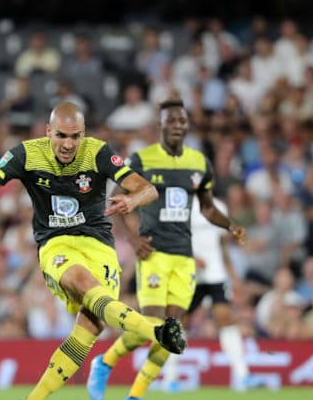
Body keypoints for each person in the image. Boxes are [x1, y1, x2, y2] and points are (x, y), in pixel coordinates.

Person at [0, 102, 187, 400]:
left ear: (83, 134)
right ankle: (157, 332)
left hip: (99, 246)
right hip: (57, 244)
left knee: (90, 326)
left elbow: (147, 188)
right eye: (61, 135)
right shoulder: (26, 154)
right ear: (48, 132)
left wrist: (132, 201)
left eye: (75, 137)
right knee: (84, 285)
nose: (69, 144)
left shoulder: (98, 152)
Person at [86, 94, 246, 400]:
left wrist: (231, 226)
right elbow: (116, 200)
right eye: (171, 120)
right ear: (160, 125)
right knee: (153, 325)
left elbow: (208, 208)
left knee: (171, 333)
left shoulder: (199, 163)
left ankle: (135, 395)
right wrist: (133, 240)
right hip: (154, 254)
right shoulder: (143, 160)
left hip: (184, 259)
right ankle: (105, 363)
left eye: (182, 120)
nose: (178, 125)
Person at [161, 196, 266, 392]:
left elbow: (223, 245)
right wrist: (190, 257)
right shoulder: (178, 203)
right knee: (179, 322)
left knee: (225, 318)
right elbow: (170, 240)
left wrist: (233, 277)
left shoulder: (218, 206)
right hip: (189, 272)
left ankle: (242, 377)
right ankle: (170, 378)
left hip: (215, 273)